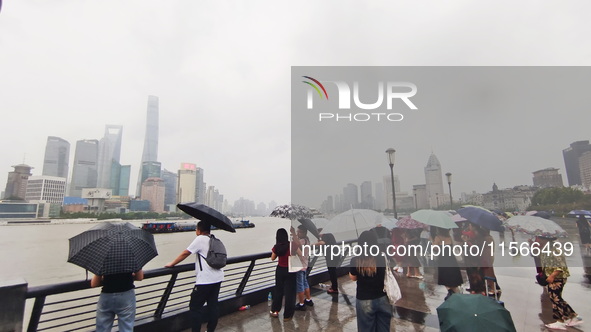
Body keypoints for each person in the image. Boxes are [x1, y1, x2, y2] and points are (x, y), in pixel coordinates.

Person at [165, 221, 223, 332]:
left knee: (195, 307)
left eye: (196, 229)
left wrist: (172, 264)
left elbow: (186, 253)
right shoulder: (214, 239)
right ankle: (210, 330)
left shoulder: (200, 239)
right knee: (213, 306)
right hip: (218, 278)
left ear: (199, 230)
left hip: (205, 280)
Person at [349, 230, 393, 332]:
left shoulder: (356, 260)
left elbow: (353, 278)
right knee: (384, 328)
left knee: (366, 328)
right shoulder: (382, 257)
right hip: (382, 298)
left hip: (364, 299)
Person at [539, 236, 583, 330]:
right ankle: (573, 316)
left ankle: (560, 321)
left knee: (555, 299)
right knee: (556, 298)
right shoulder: (545, 248)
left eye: (538, 238)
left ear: (545, 239)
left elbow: (560, 265)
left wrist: (552, 276)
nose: (537, 240)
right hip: (551, 277)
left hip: (557, 278)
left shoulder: (555, 249)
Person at [269, 228, 297, 321]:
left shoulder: (276, 247)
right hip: (290, 270)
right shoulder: (291, 245)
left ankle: (275, 311)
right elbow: (299, 255)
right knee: (290, 293)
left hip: (280, 270)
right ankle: (287, 315)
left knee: (278, 291)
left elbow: (272, 258)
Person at [431, 226, 463, 300]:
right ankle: (455, 293)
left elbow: (435, 248)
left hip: (443, 260)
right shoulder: (449, 237)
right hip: (451, 259)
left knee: (445, 278)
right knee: (452, 279)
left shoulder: (438, 237)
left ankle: (451, 292)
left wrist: (432, 242)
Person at [292, 225, 314, 310]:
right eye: (297, 231)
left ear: (304, 232)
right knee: (305, 282)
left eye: (299, 232)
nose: (298, 233)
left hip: (300, 266)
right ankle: (308, 299)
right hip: (305, 265)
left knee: (300, 285)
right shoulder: (307, 239)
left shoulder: (302, 241)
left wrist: (293, 233)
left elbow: (296, 245)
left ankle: (301, 304)